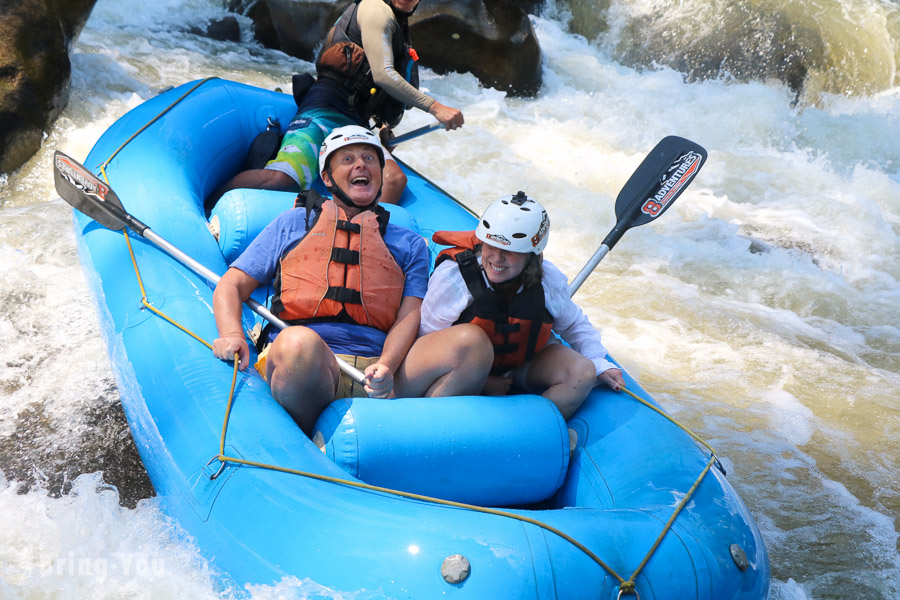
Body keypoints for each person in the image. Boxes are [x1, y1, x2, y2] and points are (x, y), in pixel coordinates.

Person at [211, 125, 471, 437]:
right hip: (309, 366)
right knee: (298, 343)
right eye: (347, 159)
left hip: (379, 374)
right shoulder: (294, 223)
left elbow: (410, 314)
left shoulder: (410, 243)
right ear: (327, 178)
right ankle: (308, 443)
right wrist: (231, 333)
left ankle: (418, 438)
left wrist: (387, 365)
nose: (360, 165)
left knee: (470, 343)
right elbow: (232, 285)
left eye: (369, 159)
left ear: (379, 174)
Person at [394, 192, 625, 419]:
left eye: (510, 251)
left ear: (532, 255)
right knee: (471, 338)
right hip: (461, 366)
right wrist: (484, 382)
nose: (496, 258)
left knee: (582, 371)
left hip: (517, 366)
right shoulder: (455, 277)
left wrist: (598, 361)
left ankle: (525, 436)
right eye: (490, 246)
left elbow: (574, 325)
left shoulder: (548, 280)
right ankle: (432, 424)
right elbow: (427, 338)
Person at [210, 0, 464, 207]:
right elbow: (383, 75)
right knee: (281, 178)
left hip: (354, 122)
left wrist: (382, 126)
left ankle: (361, 238)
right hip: (322, 110)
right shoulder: (377, 10)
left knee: (394, 180)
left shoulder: (399, 23)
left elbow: (374, 89)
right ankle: (210, 202)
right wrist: (435, 107)